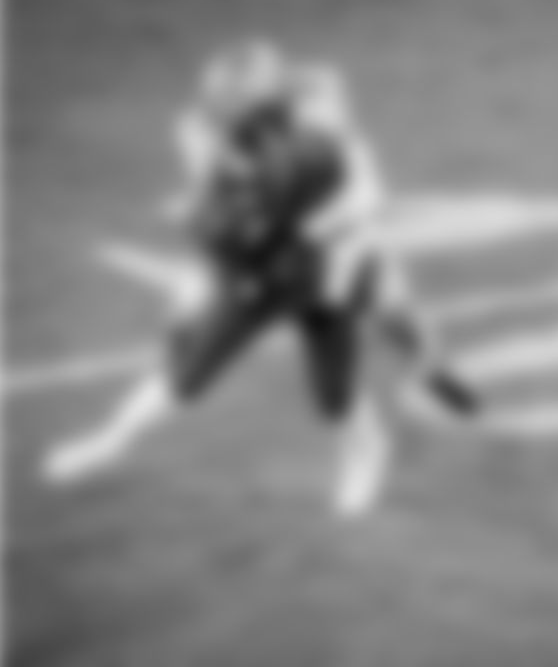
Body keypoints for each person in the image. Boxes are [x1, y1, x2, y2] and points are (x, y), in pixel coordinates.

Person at [43, 40, 479, 516]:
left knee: (376, 333)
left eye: (232, 111)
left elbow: (358, 203)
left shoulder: (316, 140)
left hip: (329, 261)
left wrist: (305, 236)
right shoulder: (218, 130)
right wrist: (220, 221)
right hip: (262, 267)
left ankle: (422, 381)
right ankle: (110, 439)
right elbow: (220, 205)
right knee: (187, 358)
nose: (220, 121)